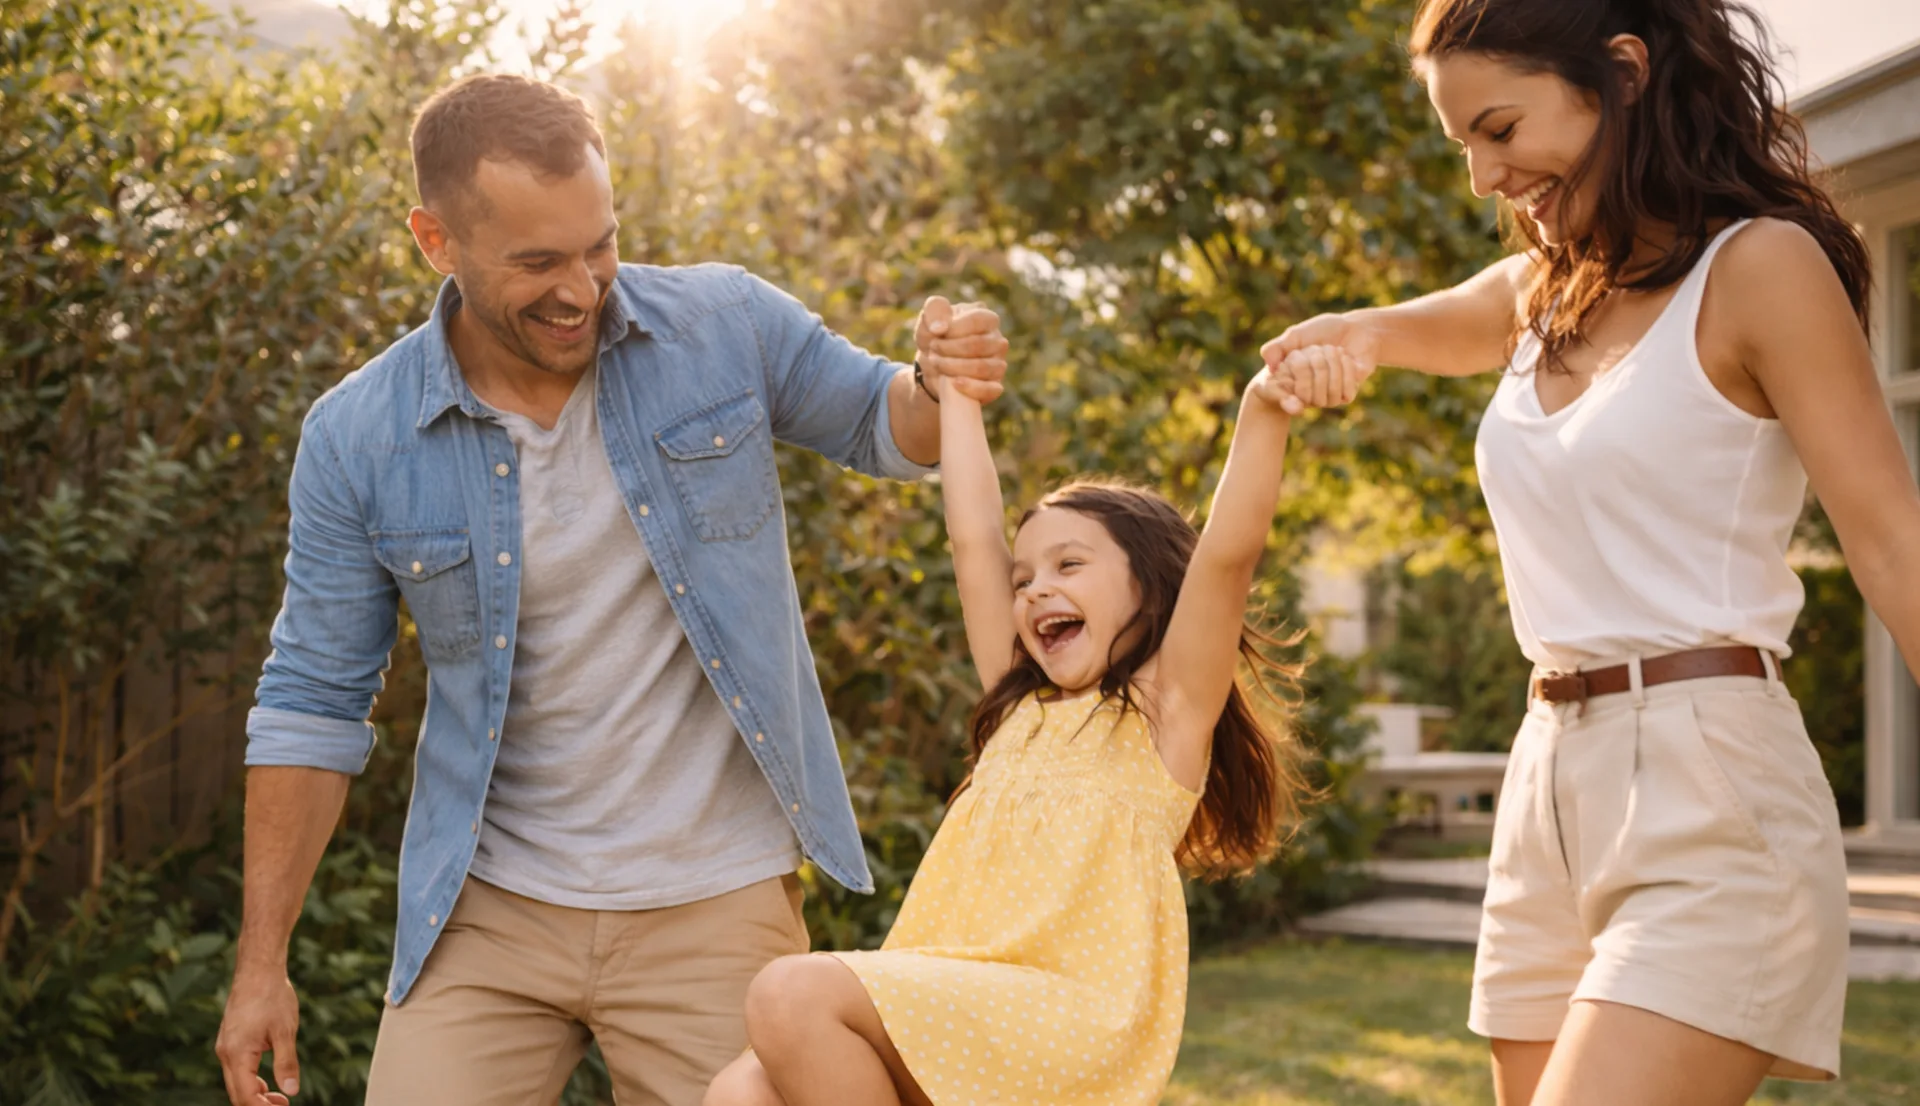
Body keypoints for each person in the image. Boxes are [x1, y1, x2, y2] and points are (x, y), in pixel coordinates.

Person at [212, 73, 1011, 1106]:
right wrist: (259, 964)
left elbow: (879, 416)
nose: (582, 288)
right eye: (537, 261)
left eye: (599, 245)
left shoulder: (723, 322)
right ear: (435, 241)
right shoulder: (359, 436)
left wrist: (937, 381)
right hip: (488, 911)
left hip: (714, 896)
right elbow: (312, 701)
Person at [1262, 1, 1920, 1103]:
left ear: (1622, 73)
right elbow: (1423, 322)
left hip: (1711, 787)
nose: (1483, 175)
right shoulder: (1543, 293)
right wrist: (1343, 337)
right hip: (1546, 781)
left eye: (1501, 128)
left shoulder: (1761, 268)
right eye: (1463, 143)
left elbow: (1894, 540)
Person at [701, 344, 1369, 1106]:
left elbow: (1226, 557)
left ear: (1152, 592)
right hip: (964, 995)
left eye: (1069, 566)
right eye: (1025, 579)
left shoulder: (1166, 714)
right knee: (739, 1089)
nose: (1035, 589)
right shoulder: (1018, 703)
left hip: (1066, 1014)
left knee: (790, 994)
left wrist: (1264, 407)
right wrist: (955, 396)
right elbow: (973, 540)